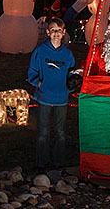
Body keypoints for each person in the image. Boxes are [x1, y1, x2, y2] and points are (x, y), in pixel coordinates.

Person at [27, 18, 75, 171]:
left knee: (60, 132)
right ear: (48, 32)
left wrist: (71, 86)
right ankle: (42, 162)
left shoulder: (67, 54)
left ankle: (59, 161)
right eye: (53, 30)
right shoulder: (40, 51)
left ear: (63, 33)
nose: (56, 33)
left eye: (59, 31)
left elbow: (72, 74)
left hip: (61, 97)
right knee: (43, 131)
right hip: (44, 96)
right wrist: (39, 83)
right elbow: (32, 72)